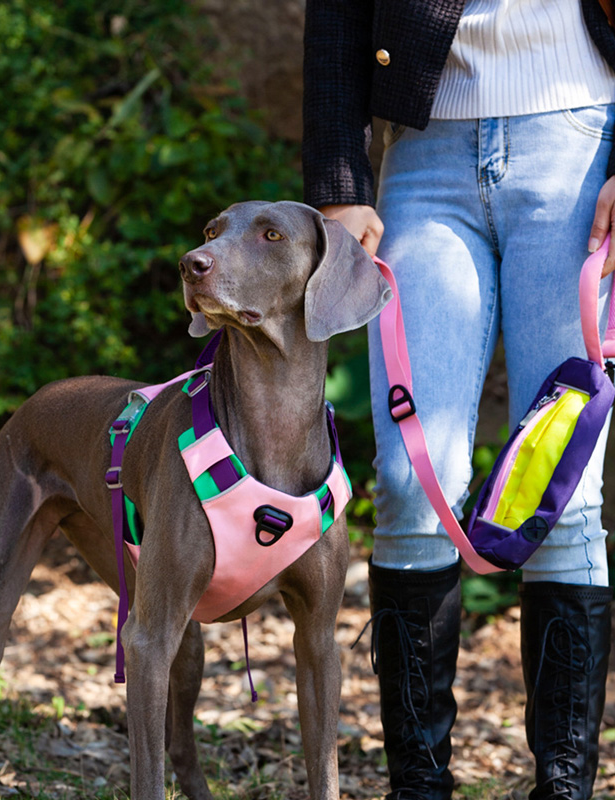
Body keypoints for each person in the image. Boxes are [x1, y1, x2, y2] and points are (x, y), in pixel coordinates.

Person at [302, 2, 615, 799]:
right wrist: (339, 182)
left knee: (562, 489)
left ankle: (566, 786)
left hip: (577, 139)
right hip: (421, 155)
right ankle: (418, 786)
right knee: (411, 484)